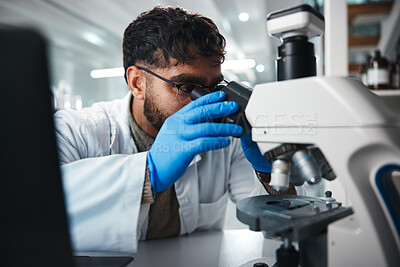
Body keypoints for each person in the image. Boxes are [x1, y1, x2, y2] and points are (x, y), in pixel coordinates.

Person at [54, 6, 296, 253]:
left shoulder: (224, 136)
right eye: (187, 86)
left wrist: (270, 169)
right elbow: (34, 208)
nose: (204, 101)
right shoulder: (75, 131)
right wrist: (148, 172)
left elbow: (278, 226)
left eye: (213, 87)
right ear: (137, 83)